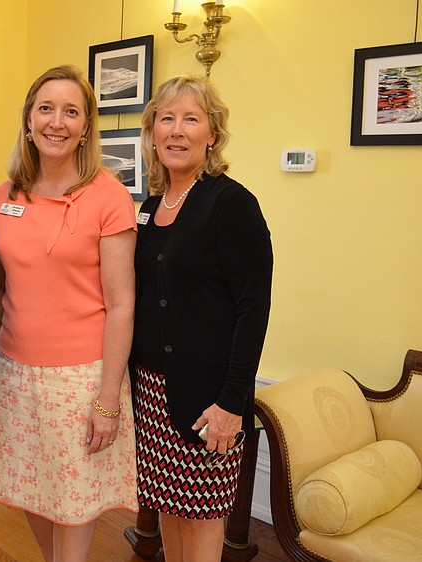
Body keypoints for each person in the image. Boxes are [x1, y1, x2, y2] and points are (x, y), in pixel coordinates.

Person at [0, 65, 138, 562]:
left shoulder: (108, 195)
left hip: (80, 379)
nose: (57, 121)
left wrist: (108, 398)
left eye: (72, 111)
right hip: (15, 370)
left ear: (87, 126)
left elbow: (122, 303)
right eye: (46, 108)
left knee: (73, 506)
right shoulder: (6, 195)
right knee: (34, 493)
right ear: (28, 120)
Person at [130, 75, 273, 562]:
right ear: (152, 132)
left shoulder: (232, 204)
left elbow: (253, 309)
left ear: (212, 134)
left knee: (204, 517)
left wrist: (233, 401)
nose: (176, 130)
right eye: (166, 119)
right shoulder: (150, 208)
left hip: (209, 397)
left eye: (191, 119)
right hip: (151, 392)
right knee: (169, 508)